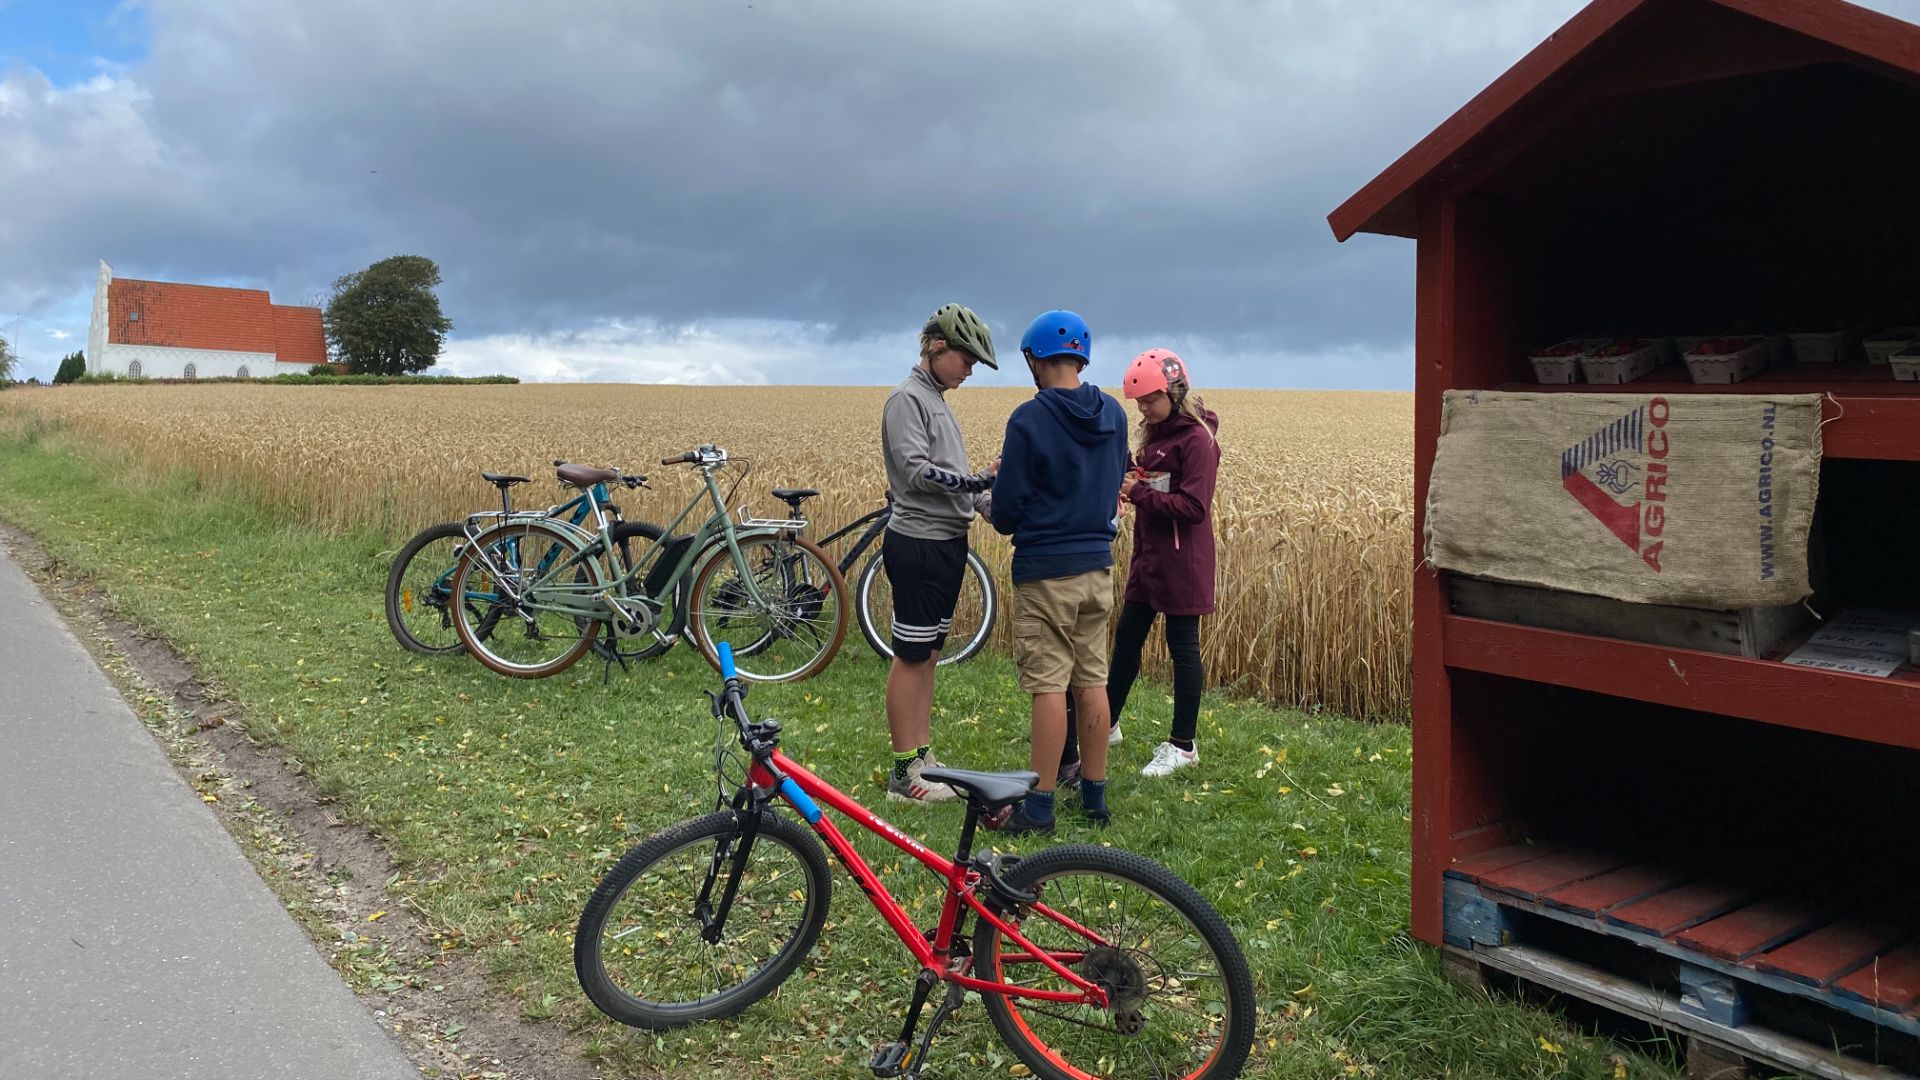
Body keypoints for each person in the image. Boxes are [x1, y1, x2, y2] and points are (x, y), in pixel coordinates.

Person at [987, 310, 1129, 834]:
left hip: (1046, 570)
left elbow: (1006, 512)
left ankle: (1040, 806)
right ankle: (1095, 798)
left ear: (1035, 359)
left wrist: (999, 494)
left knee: (1048, 684)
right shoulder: (1114, 412)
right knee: (1092, 679)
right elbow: (1116, 476)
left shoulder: (1029, 419)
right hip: (1098, 568)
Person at [878, 303, 1000, 803]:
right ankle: (905, 772)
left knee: (928, 655)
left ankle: (922, 756)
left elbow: (956, 481)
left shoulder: (937, 400)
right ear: (936, 347)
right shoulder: (908, 399)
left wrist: (991, 504)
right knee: (910, 657)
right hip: (918, 543)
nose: (970, 371)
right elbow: (915, 471)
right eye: (967, 360)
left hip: (947, 543)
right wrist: (978, 480)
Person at [1112, 348, 1220, 777]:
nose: (1142, 408)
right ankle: (1109, 723)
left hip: (1183, 563)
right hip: (1150, 557)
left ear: (1174, 392)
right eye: (1137, 402)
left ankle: (1183, 744)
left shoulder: (1197, 440)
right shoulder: (1157, 433)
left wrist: (1136, 493)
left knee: (1183, 650)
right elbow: (1157, 484)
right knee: (1126, 642)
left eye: (1148, 400)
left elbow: (1194, 507)